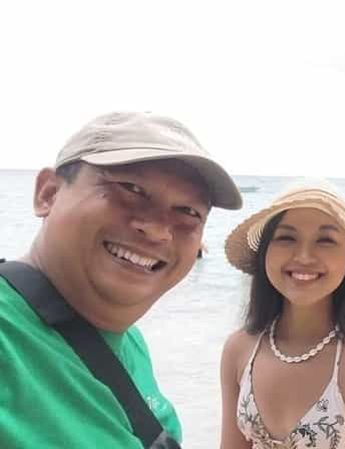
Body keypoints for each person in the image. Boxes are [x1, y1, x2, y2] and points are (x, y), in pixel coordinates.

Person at [0, 111, 242, 448]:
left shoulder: (129, 342)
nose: (157, 230)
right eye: (131, 189)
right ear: (48, 194)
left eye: (188, 212)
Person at [220, 180, 345, 449]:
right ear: (265, 253)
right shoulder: (240, 350)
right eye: (287, 238)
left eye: (326, 240)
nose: (304, 256)